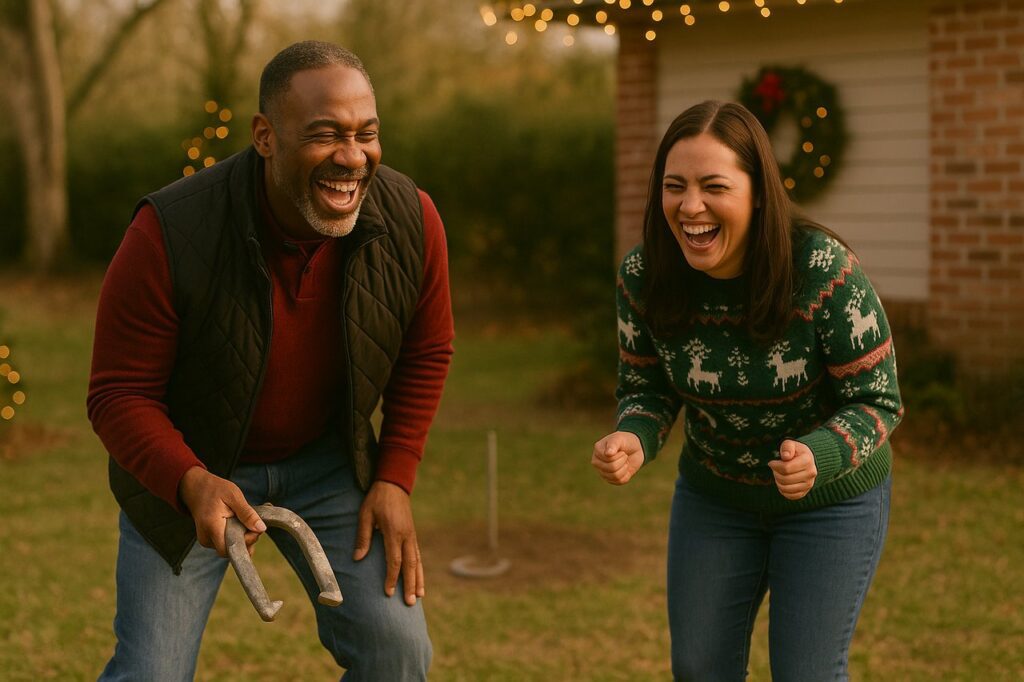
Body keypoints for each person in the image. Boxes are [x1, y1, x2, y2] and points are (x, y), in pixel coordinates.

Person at [87, 41, 453, 681]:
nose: (352, 155)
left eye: (366, 133)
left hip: (328, 463)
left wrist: (394, 475)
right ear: (264, 135)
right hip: (194, 468)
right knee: (150, 674)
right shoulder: (169, 231)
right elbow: (118, 394)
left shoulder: (412, 219)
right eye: (324, 134)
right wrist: (189, 480)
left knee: (399, 655)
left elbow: (427, 349)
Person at [591, 100, 902, 681]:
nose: (690, 207)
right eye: (674, 187)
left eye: (714, 186)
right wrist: (634, 435)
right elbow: (647, 387)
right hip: (718, 497)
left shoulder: (823, 270)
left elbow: (879, 399)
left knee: (805, 672)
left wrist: (820, 452)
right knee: (699, 667)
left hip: (830, 502)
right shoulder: (644, 277)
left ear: (759, 193)